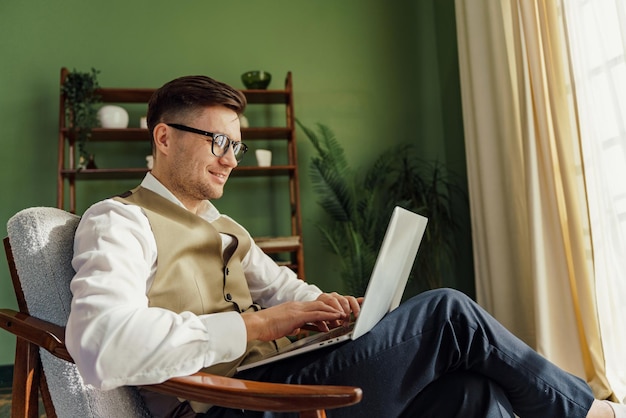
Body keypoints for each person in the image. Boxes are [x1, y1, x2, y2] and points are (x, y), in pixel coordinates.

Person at [65, 74, 624, 418]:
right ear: (164, 137)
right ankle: (587, 411)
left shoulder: (225, 226)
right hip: (233, 405)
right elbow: (99, 343)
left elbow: (291, 292)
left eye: (236, 143)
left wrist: (333, 311)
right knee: (448, 313)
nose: (231, 158)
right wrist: (261, 326)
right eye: (217, 140)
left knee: (472, 395)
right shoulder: (119, 221)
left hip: (278, 382)